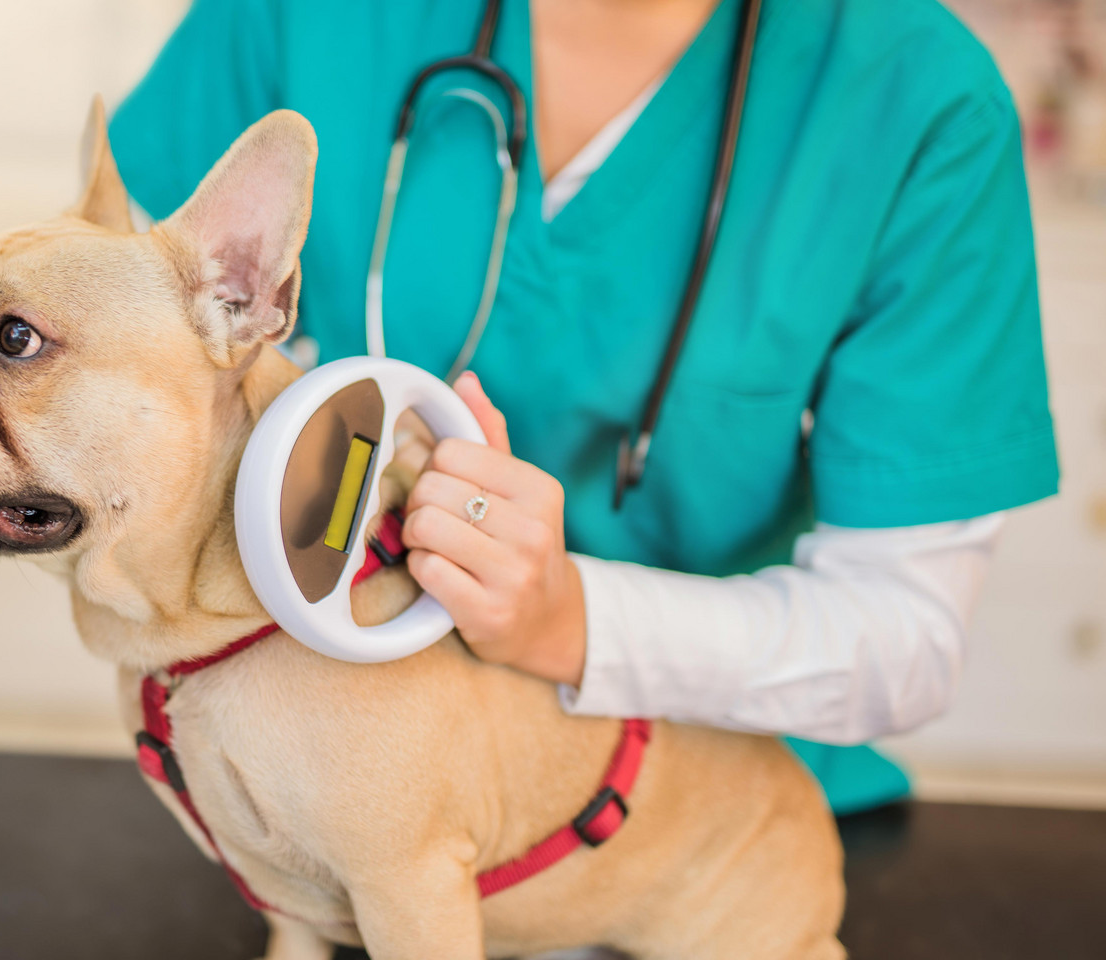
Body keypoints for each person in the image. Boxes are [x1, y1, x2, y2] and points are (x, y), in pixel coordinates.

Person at [107, 0, 1058, 814]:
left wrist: (568, 619)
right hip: (318, 775)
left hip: (703, 814)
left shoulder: (919, 101)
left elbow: (902, 640)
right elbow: (112, 357)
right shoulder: (306, 20)